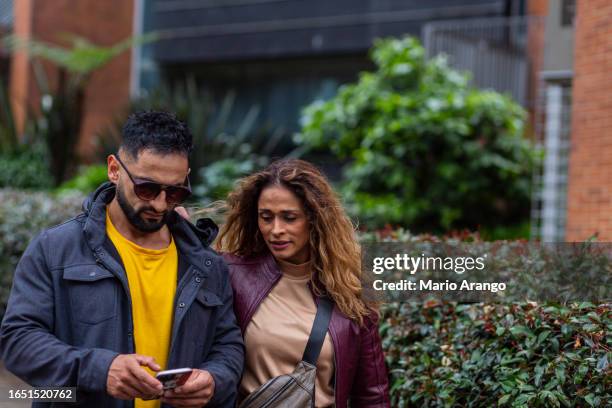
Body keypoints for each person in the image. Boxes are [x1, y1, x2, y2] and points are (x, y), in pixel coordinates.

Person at [0, 111, 244, 408]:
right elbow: (17, 341)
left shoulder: (206, 264)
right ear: (114, 169)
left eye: (175, 192)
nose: (159, 203)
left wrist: (214, 380)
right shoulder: (54, 250)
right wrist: (99, 371)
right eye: (147, 188)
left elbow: (228, 345)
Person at [216, 158, 390, 407]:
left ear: (315, 219)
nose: (276, 230)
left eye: (289, 217)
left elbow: (372, 394)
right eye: (266, 217)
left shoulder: (350, 291)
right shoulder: (234, 275)